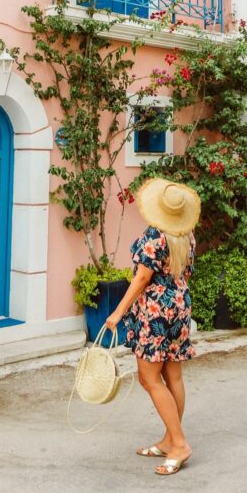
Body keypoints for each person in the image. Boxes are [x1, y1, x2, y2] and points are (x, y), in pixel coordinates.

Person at [106, 177, 199, 477]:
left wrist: (118, 313)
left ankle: (180, 444)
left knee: (149, 379)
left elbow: (142, 278)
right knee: (173, 375)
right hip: (179, 303)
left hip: (156, 308)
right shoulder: (186, 234)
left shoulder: (154, 236)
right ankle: (170, 439)